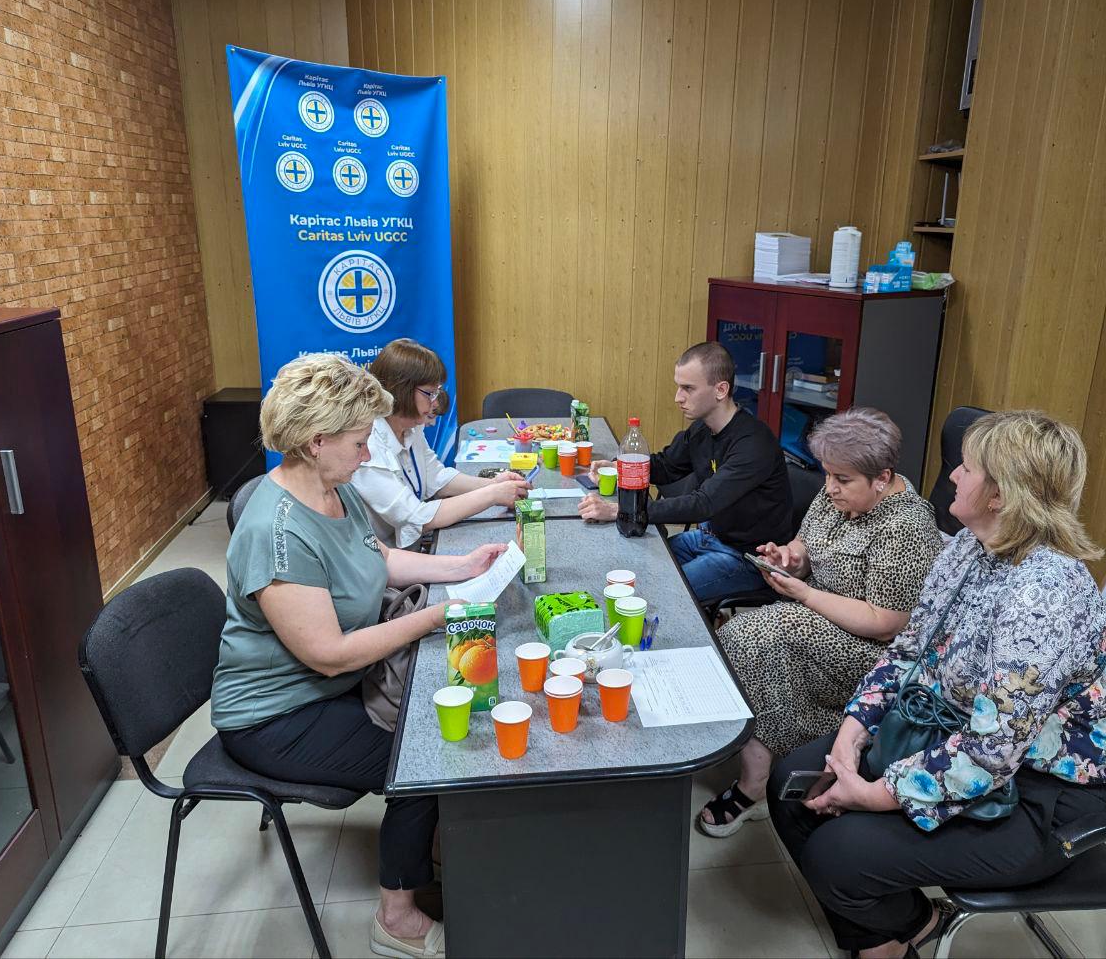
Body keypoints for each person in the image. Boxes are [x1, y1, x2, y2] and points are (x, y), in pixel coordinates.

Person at [767, 410, 1106, 959]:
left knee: (839, 852)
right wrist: (853, 730)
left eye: (968, 467)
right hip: (945, 736)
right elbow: (907, 652)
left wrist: (875, 794)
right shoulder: (965, 547)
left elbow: (991, 754)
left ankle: (903, 925)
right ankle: (892, 934)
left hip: (1038, 798)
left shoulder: (1044, 596)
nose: (952, 474)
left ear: (1003, 496)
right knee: (792, 784)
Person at [210, 353, 508, 959]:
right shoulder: (278, 533)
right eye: (356, 442)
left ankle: (444, 851)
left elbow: (376, 557)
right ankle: (395, 919)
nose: (367, 453)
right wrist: (435, 614)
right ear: (316, 441)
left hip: (325, 683)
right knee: (427, 757)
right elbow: (330, 655)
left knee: (434, 713)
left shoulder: (330, 487)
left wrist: (460, 567)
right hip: (276, 716)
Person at [698, 409, 943, 837]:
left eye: (842, 479)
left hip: (873, 651)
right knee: (747, 637)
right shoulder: (838, 494)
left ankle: (759, 781)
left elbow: (887, 622)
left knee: (752, 638)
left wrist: (807, 594)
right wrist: (789, 558)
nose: (829, 487)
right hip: (817, 616)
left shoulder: (907, 526)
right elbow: (806, 544)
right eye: (827, 475)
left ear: (882, 478)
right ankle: (765, 754)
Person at [577, 341, 793, 602]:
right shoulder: (702, 429)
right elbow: (666, 466)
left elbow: (704, 503)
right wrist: (621, 467)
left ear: (721, 390)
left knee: (656, 596)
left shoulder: (753, 444)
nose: (678, 397)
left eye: (688, 388)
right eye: (679, 387)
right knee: (629, 572)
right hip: (706, 538)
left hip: (747, 558)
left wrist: (620, 510)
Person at [351, 339, 530, 548]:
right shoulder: (369, 446)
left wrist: (494, 484)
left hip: (413, 550)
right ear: (402, 390)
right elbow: (416, 516)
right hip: (389, 563)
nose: (435, 402)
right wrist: (491, 495)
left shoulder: (410, 426)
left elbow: (436, 477)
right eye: (430, 393)